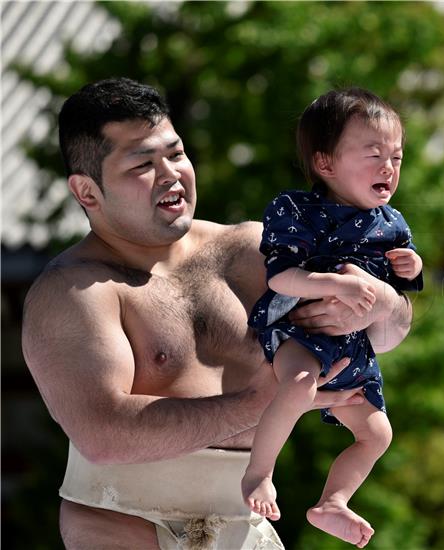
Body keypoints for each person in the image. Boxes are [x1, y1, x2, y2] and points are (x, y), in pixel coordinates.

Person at [20, 78, 414, 550]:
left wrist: (384, 301)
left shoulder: (251, 251)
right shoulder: (73, 291)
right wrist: (263, 401)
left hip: (245, 523)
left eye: (176, 153)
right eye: (143, 163)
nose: (171, 174)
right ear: (87, 191)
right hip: (124, 522)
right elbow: (104, 435)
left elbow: (387, 334)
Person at [242, 88, 423, 548]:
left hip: (355, 348)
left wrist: (411, 267)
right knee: (300, 383)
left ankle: (333, 501)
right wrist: (333, 284)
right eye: (374, 154)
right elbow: (281, 277)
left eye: (397, 157)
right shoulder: (298, 210)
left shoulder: (392, 222)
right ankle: (259, 474)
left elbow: (402, 291)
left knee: (378, 434)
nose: (389, 166)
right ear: (326, 164)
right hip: (298, 332)